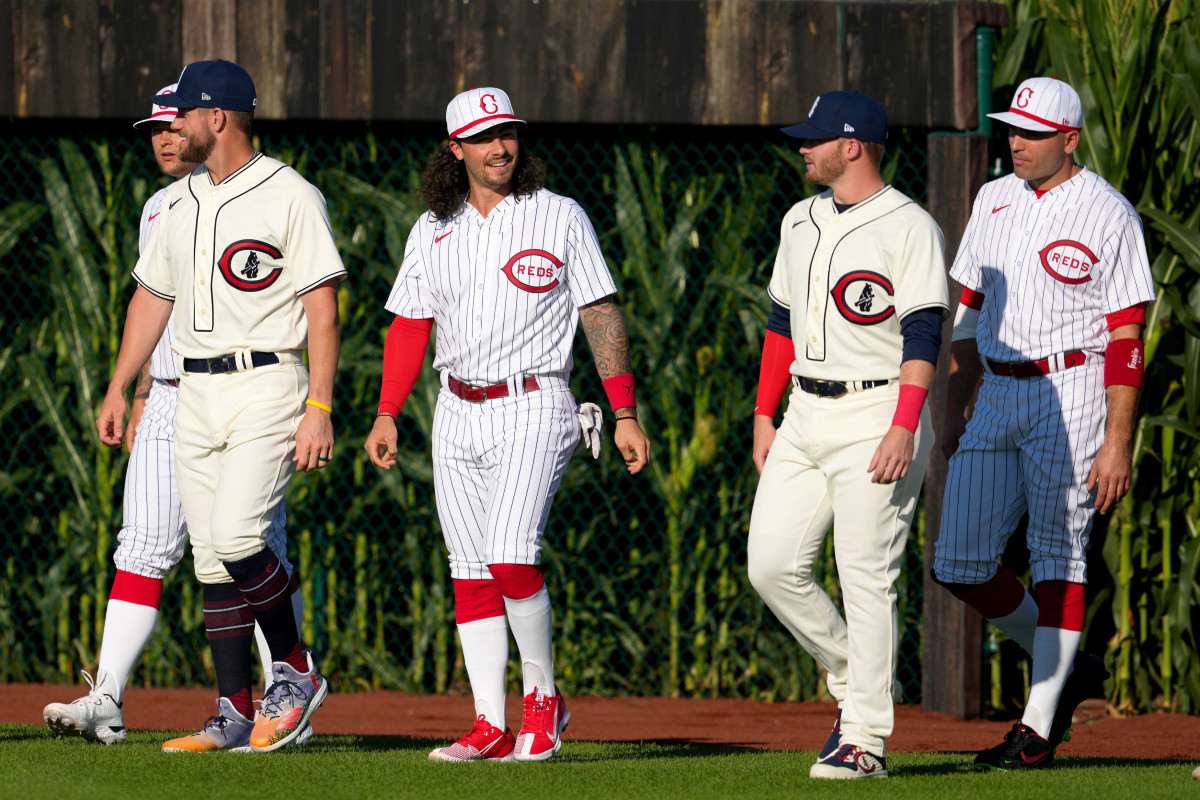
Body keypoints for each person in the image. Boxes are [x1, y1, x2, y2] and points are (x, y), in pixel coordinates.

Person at [364, 87, 651, 763]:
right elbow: (409, 324)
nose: (502, 146)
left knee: (510, 555)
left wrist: (625, 411)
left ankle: (544, 701)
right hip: (454, 408)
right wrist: (387, 410)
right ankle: (489, 723)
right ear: (456, 148)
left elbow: (601, 313)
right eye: (486, 136)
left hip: (536, 400)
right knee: (469, 571)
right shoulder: (433, 227)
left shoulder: (558, 217)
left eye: (509, 132)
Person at [42, 84, 306, 747]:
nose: (164, 137)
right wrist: (130, 393)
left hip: (247, 393)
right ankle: (107, 697)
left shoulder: (267, 195)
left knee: (247, 547)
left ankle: (287, 694)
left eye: (172, 123)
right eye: (154, 128)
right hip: (167, 394)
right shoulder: (160, 207)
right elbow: (152, 307)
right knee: (142, 546)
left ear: (205, 123)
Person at [95, 59, 346, 753]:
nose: (171, 128)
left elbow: (322, 310)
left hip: (268, 384)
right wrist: (120, 384)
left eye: (183, 114)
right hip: (194, 392)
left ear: (218, 118)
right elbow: (152, 298)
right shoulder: (180, 202)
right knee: (210, 561)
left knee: (238, 537)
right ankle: (233, 710)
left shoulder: (290, 194)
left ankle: (294, 670)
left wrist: (319, 405)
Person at [933, 76, 1154, 770]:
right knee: (957, 561)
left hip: (1076, 384)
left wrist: (1117, 441)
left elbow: (1127, 334)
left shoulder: (1109, 213)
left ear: (1070, 138)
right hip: (996, 388)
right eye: (1011, 129)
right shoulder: (994, 197)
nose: (1016, 142)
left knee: (1062, 553)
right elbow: (967, 310)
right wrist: (950, 406)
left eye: (1031, 132)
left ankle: (1036, 725)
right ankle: (1069, 664)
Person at [747, 90, 948, 780]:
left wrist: (903, 425)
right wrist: (763, 414)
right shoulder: (799, 219)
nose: (804, 147)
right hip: (804, 411)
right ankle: (852, 673)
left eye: (817, 138)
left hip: (878, 412)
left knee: (866, 576)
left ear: (853, 145)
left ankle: (865, 739)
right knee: (771, 565)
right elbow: (780, 322)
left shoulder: (909, 225)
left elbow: (924, 331)